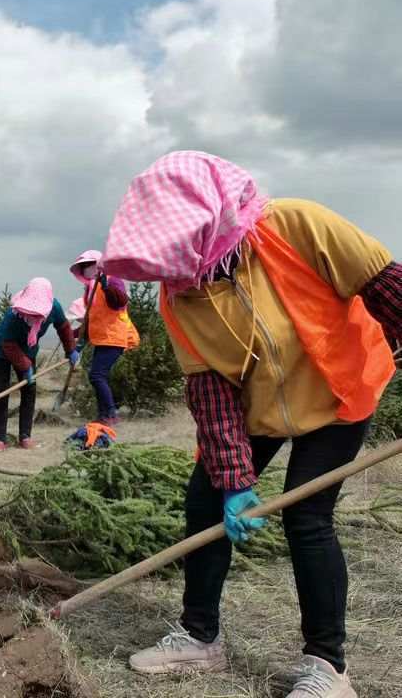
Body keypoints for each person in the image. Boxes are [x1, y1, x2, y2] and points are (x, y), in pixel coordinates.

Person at [102, 151, 400, 698]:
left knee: (307, 518)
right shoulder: (181, 295)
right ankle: (198, 637)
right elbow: (211, 392)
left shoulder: (297, 225)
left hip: (339, 392)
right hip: (257, 408)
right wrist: (236, 482)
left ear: (210, 220)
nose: (179, 274)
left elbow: (389, 289)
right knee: (205, 500)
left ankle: (328, 667)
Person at [0, 277, 78, 452]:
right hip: (2, 347)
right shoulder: (14, 314)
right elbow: (8, 344)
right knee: (1, 390)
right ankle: (0, 439)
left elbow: (64, 327)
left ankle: (25, 437)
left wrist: (70, 349)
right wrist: (25, 366)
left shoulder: (55, 307)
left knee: (29, 389)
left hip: (28, 349)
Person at [69, 250, 139, 425]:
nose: (86, 269)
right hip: (101, 337)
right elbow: (93, 317)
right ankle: (103, 415)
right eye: (83, 267)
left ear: (98, 264)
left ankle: (110, 414)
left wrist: (106, 286)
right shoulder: (90, 289)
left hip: (114, 335)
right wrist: (73, 336)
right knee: (99, 375)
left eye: (89, 265)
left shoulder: (112, 280)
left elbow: (120, 302)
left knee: (97, 375)